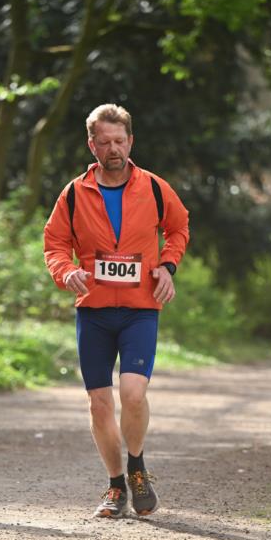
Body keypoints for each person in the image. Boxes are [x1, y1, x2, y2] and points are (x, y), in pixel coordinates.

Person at [44, 104, 189, 517]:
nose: (113, 149)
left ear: (131, 141)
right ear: (92, 144)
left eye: (119, 141)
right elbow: (54, 242)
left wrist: (167, 265)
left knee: (132, 393)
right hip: (94, 312)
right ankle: (114, 486)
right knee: (99, 403)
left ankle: (137, 467)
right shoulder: (74, 194)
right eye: (104, 142)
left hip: (141, 310)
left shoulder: (156, 189)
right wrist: (65, 270)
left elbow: (179, 227)